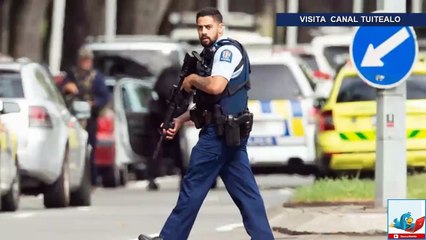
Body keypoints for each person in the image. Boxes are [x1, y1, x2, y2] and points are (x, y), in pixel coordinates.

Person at [138, 7, 274, 240]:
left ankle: (169, 238)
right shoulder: (212, 53)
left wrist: (192, 79)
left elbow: (216, 87)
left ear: (220, 27)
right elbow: (212, 104)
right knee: (246, 194)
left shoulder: (225, 52)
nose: (203, 31)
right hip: (229, 131)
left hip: (218, 136)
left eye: (208, 26)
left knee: (193, 188)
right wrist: (180, 119)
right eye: (200, 27)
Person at [62, 47, 110, 186]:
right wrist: (67, 87)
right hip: (74, 116)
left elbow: (104, 97)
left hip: (90, 117)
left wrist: (93, 104)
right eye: (83, 60)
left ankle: (92, 180)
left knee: (90, 149)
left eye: (88, 60)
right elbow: (63, 88)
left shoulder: (96, 77)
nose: (85, 63)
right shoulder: (72, 75)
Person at [146, 65, 186, 190]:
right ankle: (183, 175)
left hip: (163, 116)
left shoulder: (167, 76)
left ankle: (153, 177)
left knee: (157, 148)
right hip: (169, 116)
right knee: (177, 149)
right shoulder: (177, 76)